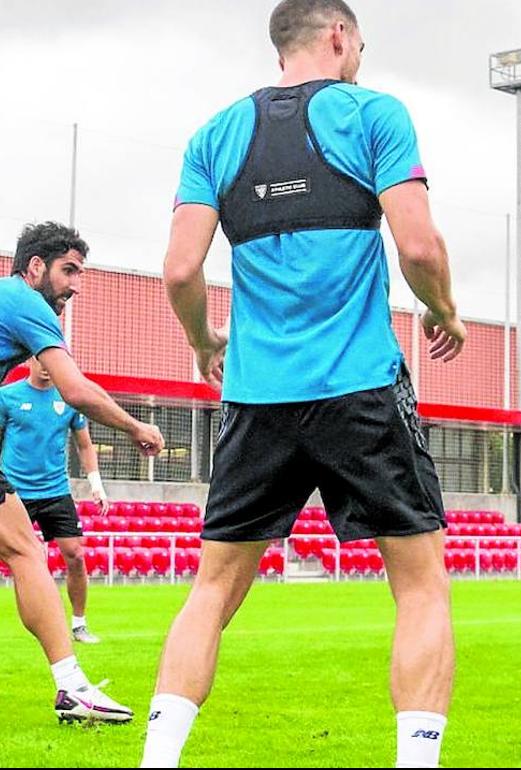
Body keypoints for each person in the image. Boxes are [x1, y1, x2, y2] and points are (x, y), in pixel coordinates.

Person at [143, 1, 466, 766]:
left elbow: (181, 269)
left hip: (258, 397)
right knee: (419, 585)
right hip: (359, 388)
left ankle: (158, 761)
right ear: (339, 37)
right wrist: (443, 310)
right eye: (358, 44)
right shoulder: (375, 114)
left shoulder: (214, 135)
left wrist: (201, 342)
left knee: (213, 588)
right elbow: (418, 246)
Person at [0, 220, 165, 723]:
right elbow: (76, 389)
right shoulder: (25, 301)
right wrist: (136, 425)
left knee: (21, 546)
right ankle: (73, 689)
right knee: (25, 549)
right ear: (35, 268)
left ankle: (72, 688)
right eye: (69, 270)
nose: (77, 284)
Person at [1, 355, 112, 644]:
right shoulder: (7, 396)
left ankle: (79, 624)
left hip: (55, 490)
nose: (49, 368)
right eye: (43, 361)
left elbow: (84, 445)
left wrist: (96, 485)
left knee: (75, 555)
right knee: (20, 558)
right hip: (15, 492)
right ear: (31, 361)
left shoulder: (69, 399)